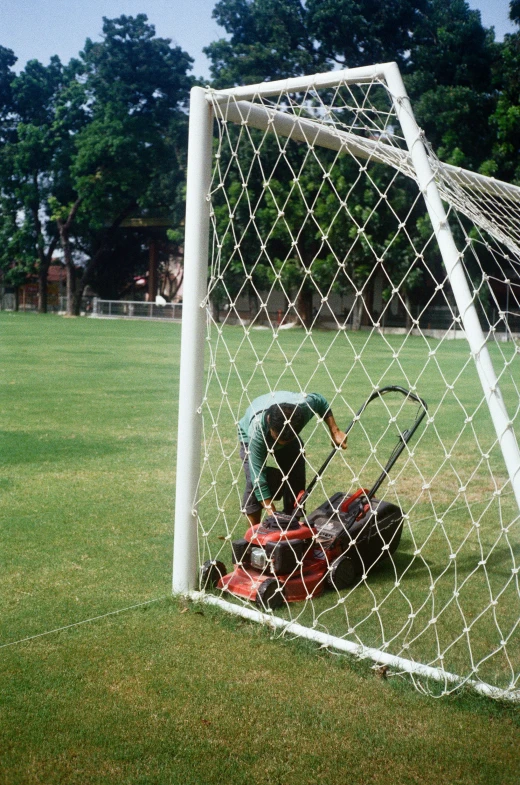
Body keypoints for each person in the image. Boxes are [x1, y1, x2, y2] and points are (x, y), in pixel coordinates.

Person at [237, 391, 347, 525]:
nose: (281, 443)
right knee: (253, 484)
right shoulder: (257, 430)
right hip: (250, 436)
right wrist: (273, 515)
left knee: (296, 473)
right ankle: (254, 536)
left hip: (287, 428)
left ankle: (292, 523)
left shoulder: (304, 407)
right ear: (269, 421)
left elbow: (320, 400)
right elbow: (257, 477)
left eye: (287, 440)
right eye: (278, 439)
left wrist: (335, 431)